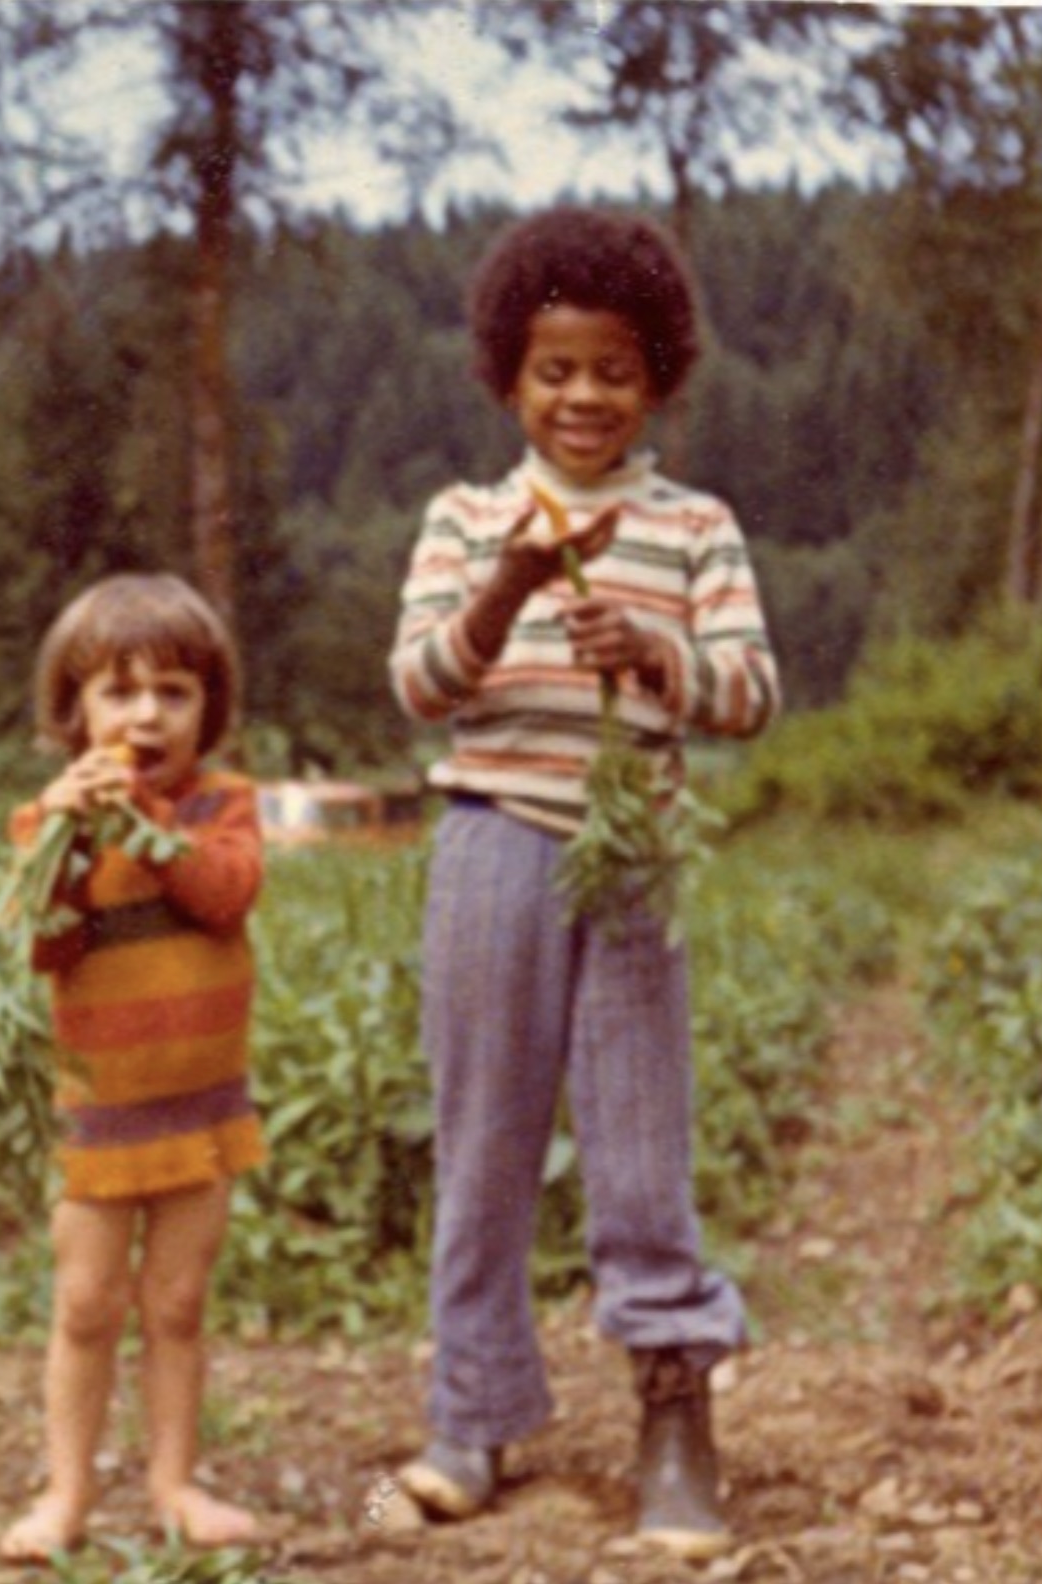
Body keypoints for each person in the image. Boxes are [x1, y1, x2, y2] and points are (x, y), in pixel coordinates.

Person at [387, 207, 781, 1560]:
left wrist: (659, 659)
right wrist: (504, 592)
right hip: (493, 836)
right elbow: (421, 684)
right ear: (508, 374)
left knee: (637, 1143)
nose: (584, 397)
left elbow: (752, 693)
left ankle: (674, 1422)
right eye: (556, 370)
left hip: (632, 853)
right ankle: (469, 1416)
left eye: (613, 369)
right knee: (484, 1133)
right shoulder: (464, 520)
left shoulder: (695, 528)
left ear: (657, 375)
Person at [0, 572, 266, 1562]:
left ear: (209, 709)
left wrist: (148, 830)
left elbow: (224, 895)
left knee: (178, 1302)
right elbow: (43, 948)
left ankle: (172, 1483)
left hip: (198, 1105)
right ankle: (64, 1495)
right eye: (118, 692)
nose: (144, 715)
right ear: (74, 713)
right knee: (84, 1304)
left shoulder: (221, 806)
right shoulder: (49, 822)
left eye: (173, 693)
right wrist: (65, 841)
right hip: (100, 1106)